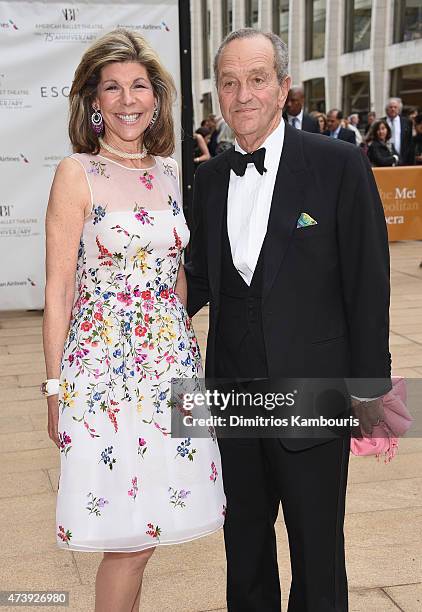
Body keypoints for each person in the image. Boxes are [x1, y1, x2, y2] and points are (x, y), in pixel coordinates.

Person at [185, 27, 391, 612]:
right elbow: (199, 279)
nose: (242, 93)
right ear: (218, 96)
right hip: (232, 395)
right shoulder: (210, 178)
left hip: (314, 390)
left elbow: (367, 284)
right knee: (244, 553)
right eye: (229, 82)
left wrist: (370, 393)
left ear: (283, 89)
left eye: (255, 79)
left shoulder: (339, 164)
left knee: (317, 555)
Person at [42, 28, 225, 612]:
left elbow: (175, 275)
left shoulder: (169, 171)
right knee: (126, 536)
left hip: (169, 366)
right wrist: (54, 387)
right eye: (113, 88)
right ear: (93, 102)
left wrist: (189, 357)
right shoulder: (78, 173)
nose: (127, 100)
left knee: (148, 532)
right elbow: (60, 287)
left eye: (139, 86)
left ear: (156, 98)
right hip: (105, 373)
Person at [382, 97, 414, 165]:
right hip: (386, 161)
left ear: (399, 109)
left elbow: (410, 142)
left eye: (395, 107)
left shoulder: (407, 122)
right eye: (390, 107)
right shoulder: (381, 122)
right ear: (387, 109)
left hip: (404, 161)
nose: (393, 109)